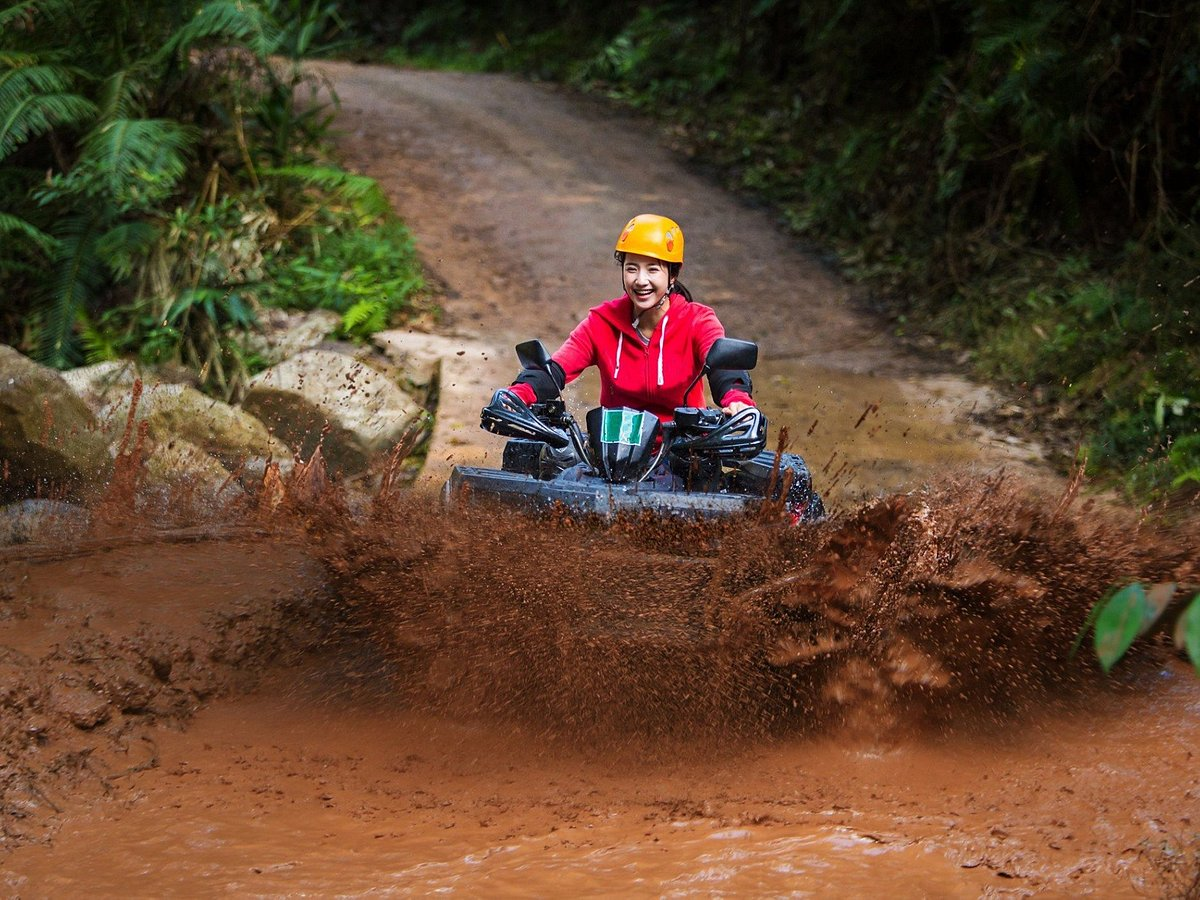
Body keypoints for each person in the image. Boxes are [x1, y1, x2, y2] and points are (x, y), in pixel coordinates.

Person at [499, 213, 824, 521]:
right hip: (608, 459)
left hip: (684, 455)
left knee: (783, 481)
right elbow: (556, 369)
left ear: (672, 274)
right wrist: (518, 394)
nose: (641, 280)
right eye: (631, 268)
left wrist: (738, 402)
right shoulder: (601, 321)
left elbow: (724, 367)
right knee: (533, 453)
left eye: (652, 270)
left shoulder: (697, 320)